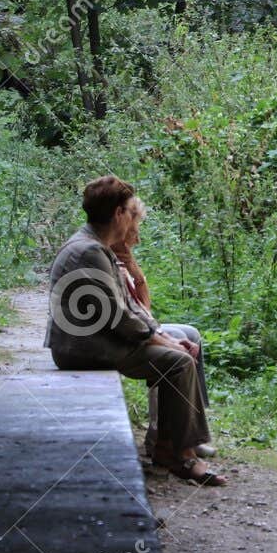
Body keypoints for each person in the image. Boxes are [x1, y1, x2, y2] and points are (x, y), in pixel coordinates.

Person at [46, 176, 227, 486]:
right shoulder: (90, 251)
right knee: (178, 361)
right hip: (84, 348)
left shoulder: (93, 246)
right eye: (131, 212)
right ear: (118, 213)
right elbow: (118, 317)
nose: (134, 220)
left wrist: (163, 336)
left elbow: (127, 309)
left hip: (95, 340)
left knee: (177, 351)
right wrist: (162, 340)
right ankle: (178, 455)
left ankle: (177, 445)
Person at [109, 196, 215, 462]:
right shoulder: (112, 261)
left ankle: (190, 425)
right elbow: (142, 311)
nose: (138, 239)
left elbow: (144, 310)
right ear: (121, 229)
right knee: (178, 340)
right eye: (134, 232)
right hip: (122, 335)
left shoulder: (123, 260)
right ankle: (160, 434)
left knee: (190, 332)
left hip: (134, 326)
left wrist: (133, 264)